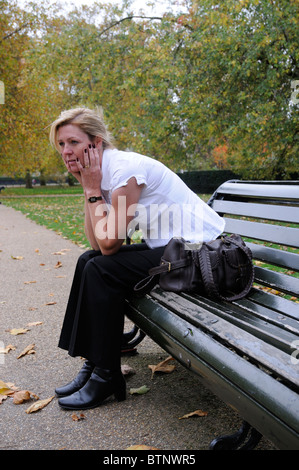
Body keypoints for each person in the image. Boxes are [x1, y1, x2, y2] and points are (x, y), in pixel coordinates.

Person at [49, 107, 225, 410]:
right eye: (61, 144)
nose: (66, 151)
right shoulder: (102, 174)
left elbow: (109, 245)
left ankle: (107, 376)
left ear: (97, 142)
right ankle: (95, 364)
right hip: (176, 252)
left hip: (204, 257)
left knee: (102, 269)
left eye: (73, 142)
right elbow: (95, 243)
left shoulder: (123, 173)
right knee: (86, 261)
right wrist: (87, 186)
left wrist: (91, 188)